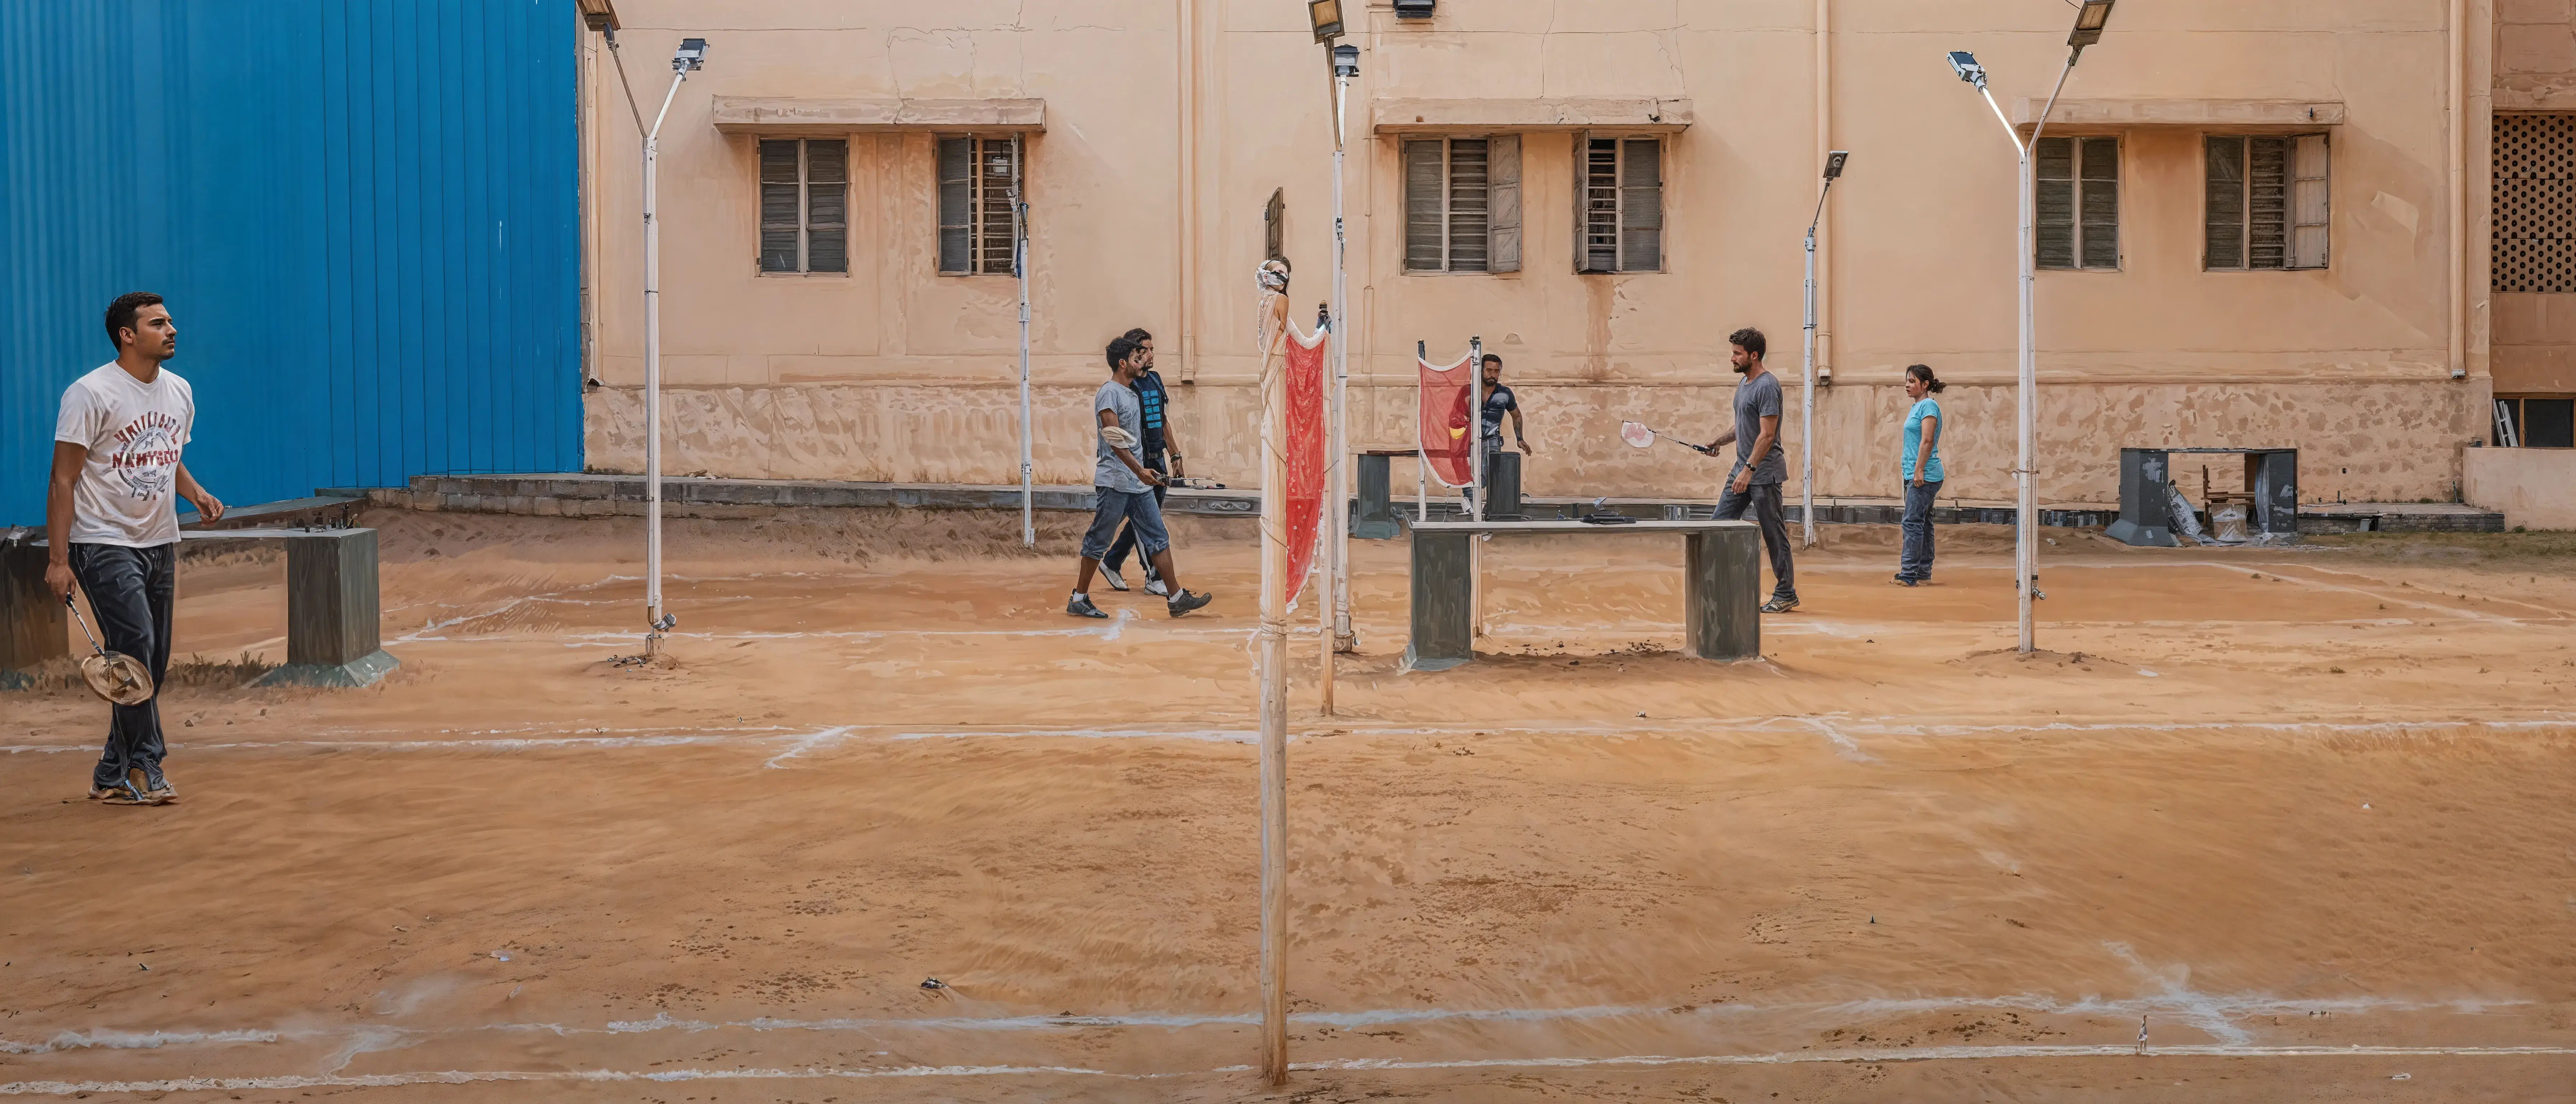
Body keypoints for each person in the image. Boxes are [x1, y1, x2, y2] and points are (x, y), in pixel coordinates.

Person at [46, 292, 226, 806]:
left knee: (153, 660)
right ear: (128, 335)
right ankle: (147, 766)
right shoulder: (90, 394)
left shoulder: (180, 391)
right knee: (137, 645)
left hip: (159, 540)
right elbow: (63, 481)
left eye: (170, 321)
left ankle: (110, 771)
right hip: (102, 542)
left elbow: (163, 457)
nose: (172, 330)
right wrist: (59, 561)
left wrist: (197, 495)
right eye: (158, 323)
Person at [1070, 336, 1212, 619]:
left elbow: (1137, 440)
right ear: (1123, 364)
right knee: (1099, 541)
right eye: (1137, 357)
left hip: (1138, 484)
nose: (1142, 361)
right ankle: (1079, 598)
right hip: (1115, 483)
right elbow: (1114, 441)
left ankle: (1176, 597)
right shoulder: (1109, 393)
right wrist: (1139, 470)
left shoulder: (1131, 393)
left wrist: (1153, 467)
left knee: (1158, 538)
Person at [1703, 327, 1797, 613]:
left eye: (1737, 354)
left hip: (1763, 473)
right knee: (1718, 526)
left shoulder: (1768, 386)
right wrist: (1719, 440)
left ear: (1754, 356)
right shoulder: (1745, 384)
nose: (1732, 358)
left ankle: (1786, 594)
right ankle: (1718, 587)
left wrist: (1749, 471)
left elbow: (1767, 435)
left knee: (1773, 533)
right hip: (1742, 469)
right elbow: (1745, 425)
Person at [1099, 327, 1185, 597]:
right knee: (1146, 521)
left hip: (1157, 458)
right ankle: (1153, 575)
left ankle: (1112, 561)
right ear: (1133, 354)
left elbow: (1162, 420)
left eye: (1152, 349)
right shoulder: (1128, 383)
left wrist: (1175, 454)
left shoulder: (1156, 380)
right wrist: (1136, 465)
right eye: (1145, 349)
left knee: (1148, 518)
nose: (1151, 355)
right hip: (1138, 461)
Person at [1894, 364, 1947, 586]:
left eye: (1913, 381)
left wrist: (1919, 471)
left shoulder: (1928, 407)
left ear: (1925, 385)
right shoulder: (1918, 407)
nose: (1907, 385)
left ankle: (1909, 575)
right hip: (1915, 473)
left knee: (1912, 522)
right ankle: (1923, 571)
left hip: (1924, 475)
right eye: (1907, 380)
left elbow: (1927, 441)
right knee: (1923, 522)